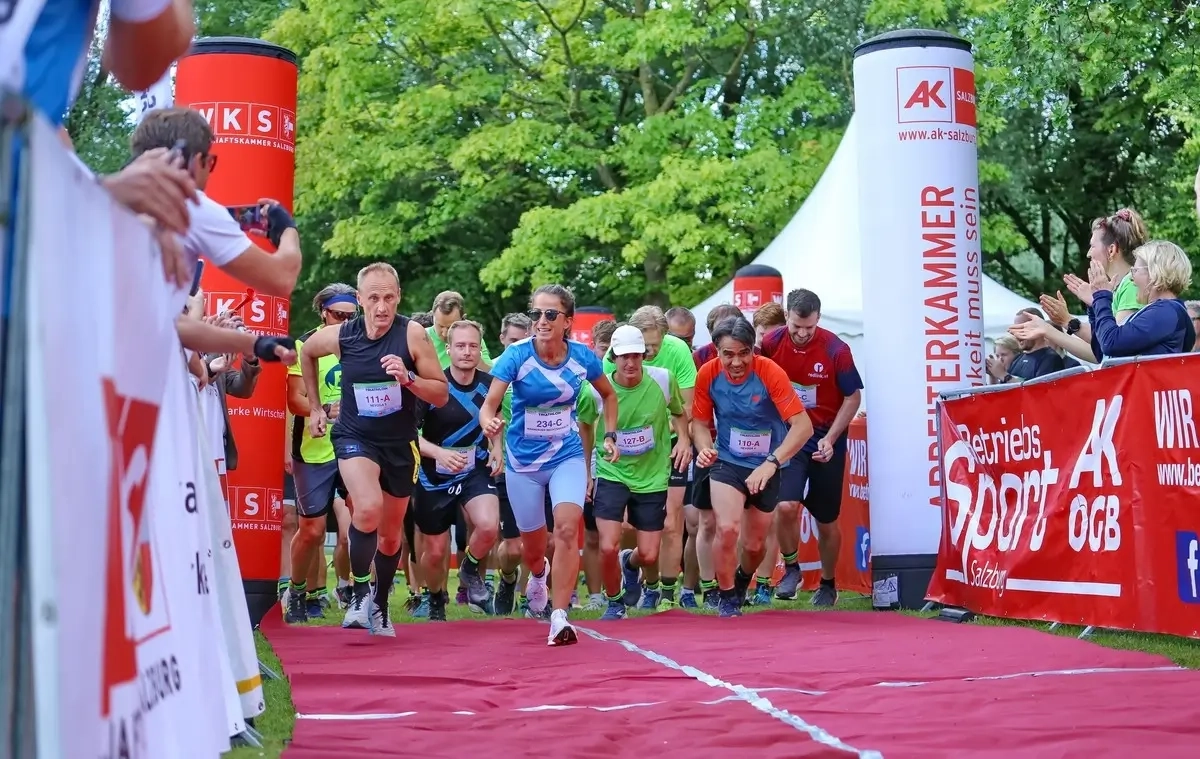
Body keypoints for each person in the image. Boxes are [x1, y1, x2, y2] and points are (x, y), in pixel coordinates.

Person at [300, 262, 448, 637]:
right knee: (366, 509)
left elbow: (441, 393)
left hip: (400, 443)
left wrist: (408, 377)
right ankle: (360, 591)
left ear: (398, 297)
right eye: (373, 298)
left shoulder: (412, 334)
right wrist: (316, 406)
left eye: (388, 298)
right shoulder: (343, 334)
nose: (381, 307)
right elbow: (308, 353)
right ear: (360, 300)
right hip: (355, 436)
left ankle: (380, 603)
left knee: (391, 535)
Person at [480, 284, 619, 645]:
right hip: (523, 461)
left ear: (568, 322)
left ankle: (559, 617)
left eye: (550, 314)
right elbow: (489, 404)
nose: (541, 321)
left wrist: (610, 435)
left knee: (568, 530)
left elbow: (609, 394)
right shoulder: (516, 356)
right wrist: (489, 422)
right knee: (532, 547)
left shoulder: (584, 358)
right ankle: (538, 577)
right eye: (536, 314)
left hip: (566, 454)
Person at [691, 316, 812, 617]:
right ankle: (728, 595)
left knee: (756, 544)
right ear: (716, 351)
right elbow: (700, 424)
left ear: (753, 350)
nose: (736, 362)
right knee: (728, 528)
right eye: (728, 354)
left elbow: (803, 427)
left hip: (766, 465)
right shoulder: (707, 374)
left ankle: (744, 579)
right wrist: (705, 448)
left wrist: (771, 464)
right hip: (728, 461)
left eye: (743, 353)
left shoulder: (770, 372)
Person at [577, 325, 690, 620]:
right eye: (624, 357)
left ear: (645, 356)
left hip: (652, 475)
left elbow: (679, 413)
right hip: (611, 472)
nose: (630, 363)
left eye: (636, 356)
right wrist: (586, 472)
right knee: (607, 544)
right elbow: (585, 427)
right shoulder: (595, 390)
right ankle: (615, 604)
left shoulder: (663, 381)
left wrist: (685, 441)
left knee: (649, 554)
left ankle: (630, 563)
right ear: (613, 357)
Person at [130, 107, 303, 297]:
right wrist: (287, 229)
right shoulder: (191, 206)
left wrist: (228, 329)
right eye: (210, 161)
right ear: (197, 161)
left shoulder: (114, 201)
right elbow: (282, 279)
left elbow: (169, 319)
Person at [760, 289, 863, 607]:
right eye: (796, 326)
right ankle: (791, 569)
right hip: (790, 436)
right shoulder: (771, 343)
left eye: (809, 327)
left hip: (824, 437)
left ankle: (829, 584)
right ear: (787, 316)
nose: (803, 334)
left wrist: (831, 438)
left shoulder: (836, 349)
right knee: (785, 507)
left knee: (826, 518)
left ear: (818, 318)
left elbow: (853, 396)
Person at [604, 306, 696, 609]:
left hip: (661, 457)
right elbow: (591, 417)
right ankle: (625, 590)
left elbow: (684, 410)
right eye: (645, 347)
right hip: (616, 462)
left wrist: (681, 438)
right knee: (619, 537)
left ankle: (657, 586)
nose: (649, 353)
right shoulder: (607, 373)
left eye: (652, 348)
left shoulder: (672, 363)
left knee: (664, 533)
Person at [411, 320, 503, 620]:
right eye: (460, 346)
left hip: (473, 469)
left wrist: (496, 447)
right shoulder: (433, 386)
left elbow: (494, 421)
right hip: (433, 474)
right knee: (436, 551)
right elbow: (408, 435)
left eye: (473, 346)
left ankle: (469, 566)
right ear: (447, 349)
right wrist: (439, 453)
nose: (467, 352)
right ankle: (435, 597)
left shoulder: (491, 386)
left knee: (489, 526)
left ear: (480, 349)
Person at [283, 284, 358, 624]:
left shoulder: (364, 342)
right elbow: (294, 400)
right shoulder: (305, 345)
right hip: (314, 451)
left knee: (361, 521)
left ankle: (359, 593)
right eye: (337, 315)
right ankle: (297, 589)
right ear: (323, 312)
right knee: (312, 531)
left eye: (350, 316)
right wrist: (325, 408)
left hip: (356, 446)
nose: (343, 322)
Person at [427, 291, 494, 369]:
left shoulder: (473, 337)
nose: (445, 334)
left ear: (463, 319)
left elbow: (490, 374)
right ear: (432, 316)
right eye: (440, 326)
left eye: (450, 327)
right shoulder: (420, 337)